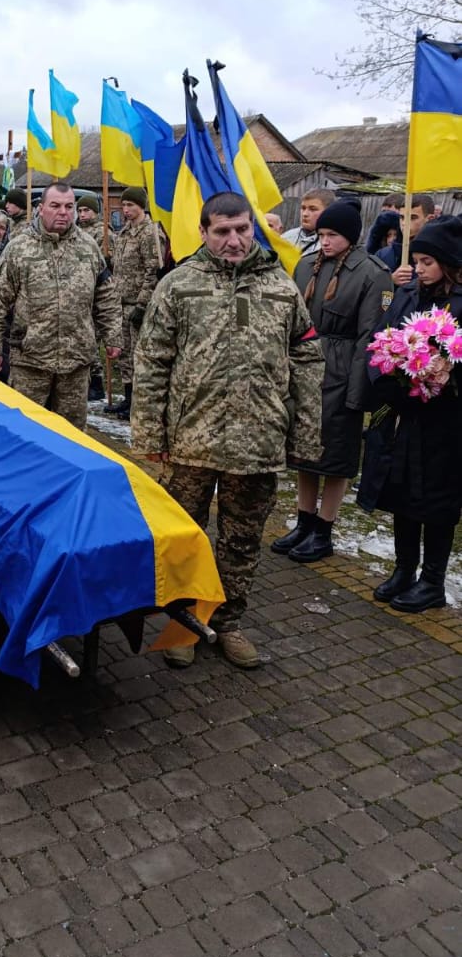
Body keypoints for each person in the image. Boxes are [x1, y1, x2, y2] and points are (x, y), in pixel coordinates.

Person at [131, 192, 324, 670]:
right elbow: (152, 362)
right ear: (203, 232)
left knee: (241, 541)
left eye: (242, 229)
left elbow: (306, 358)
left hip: (258, 442)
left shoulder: (280, 286)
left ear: (252, 229)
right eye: (222, 231)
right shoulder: (179, 285)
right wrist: (149, 435)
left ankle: (228, 621)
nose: (234, 240)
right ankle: (184, 625)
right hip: (191, 441)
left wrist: (304, 432)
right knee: (185, 538)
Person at [273, 202, 392, 562]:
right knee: (305, 451)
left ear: (351, 237)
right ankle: (304, 521)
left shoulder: (372, 273)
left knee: (336, 456)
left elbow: (370, 336)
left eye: (332, 235)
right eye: (322, 235)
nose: (324, 241)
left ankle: (324, 529)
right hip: (305, 368)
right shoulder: (307, 264)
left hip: (342, 372)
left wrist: (358, 393)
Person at [358, 215, 462, 612]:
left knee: (437, 501)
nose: (418, 269)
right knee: (402, 494)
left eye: (427, 262)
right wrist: (391, 379)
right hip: (405, 415)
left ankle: (431, 581)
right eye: (416, 261)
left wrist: (442, 376)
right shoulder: (407, 295)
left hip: (445, 422)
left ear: (449, 262)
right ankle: (404, 569)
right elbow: (382, 339)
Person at [0, 181, 122, 430]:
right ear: (41, 208)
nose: (63, 212)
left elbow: (106, 295)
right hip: (31, 360)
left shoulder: (88, 247)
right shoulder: (19, 248)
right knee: (26, 431)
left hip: (75, 361)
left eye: (69, 206)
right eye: (55, 206)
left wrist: (113, 336)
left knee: (71, 434)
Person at [106, 187, 160, 419]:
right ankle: (128, 398)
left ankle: (139, 402)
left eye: (131, 206)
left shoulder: (149, 233)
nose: (126, 210)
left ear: (141, 207)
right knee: (125, 354)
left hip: (138, 304)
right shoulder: (124, 232)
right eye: (124, 205)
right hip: (121, 301)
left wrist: (142, 303)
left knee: (139, 355)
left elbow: (152, 271)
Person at [378, 194, 437, 281]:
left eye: (412, 218)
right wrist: (390, 281)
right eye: (402, 217)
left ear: (430, 219)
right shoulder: (383, 255)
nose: (404, 223)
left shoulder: (440, 255)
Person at [283, 188, 336, 256]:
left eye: (313, 209)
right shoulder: (287, 237)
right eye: (303, 208)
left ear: (329, 212)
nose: (305, 214)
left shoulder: (334, 243)